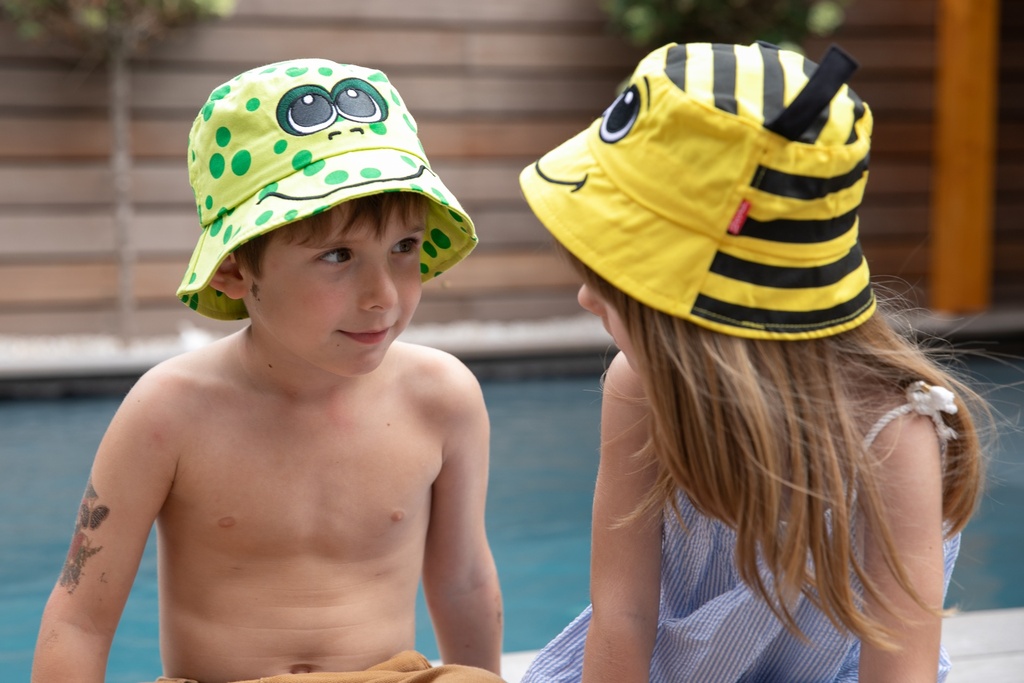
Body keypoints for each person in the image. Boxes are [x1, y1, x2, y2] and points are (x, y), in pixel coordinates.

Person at [517, 41, 986, 682]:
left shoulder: (892, 438)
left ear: (699, 317)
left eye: (615, 275)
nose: (584, 295)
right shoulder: (638, 388)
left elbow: (898, 669)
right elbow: (623, 614)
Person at [31, 58, 504, 683]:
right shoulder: (170, 411)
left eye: (404, 248)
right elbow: (80, 616)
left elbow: (465, 581)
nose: (383, 294)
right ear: (233, 271)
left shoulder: (442, 398)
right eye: (337, 255)